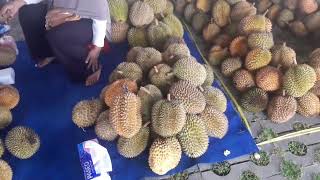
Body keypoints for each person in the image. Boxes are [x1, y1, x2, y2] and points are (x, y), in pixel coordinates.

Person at [0, 0, 111, 86]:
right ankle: (49, 52)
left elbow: (100, 17)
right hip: (62, 11)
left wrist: (97, 48)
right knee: (28, 12)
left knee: (58, 35)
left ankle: (89, 69)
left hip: (90, 22)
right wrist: (16, 4)